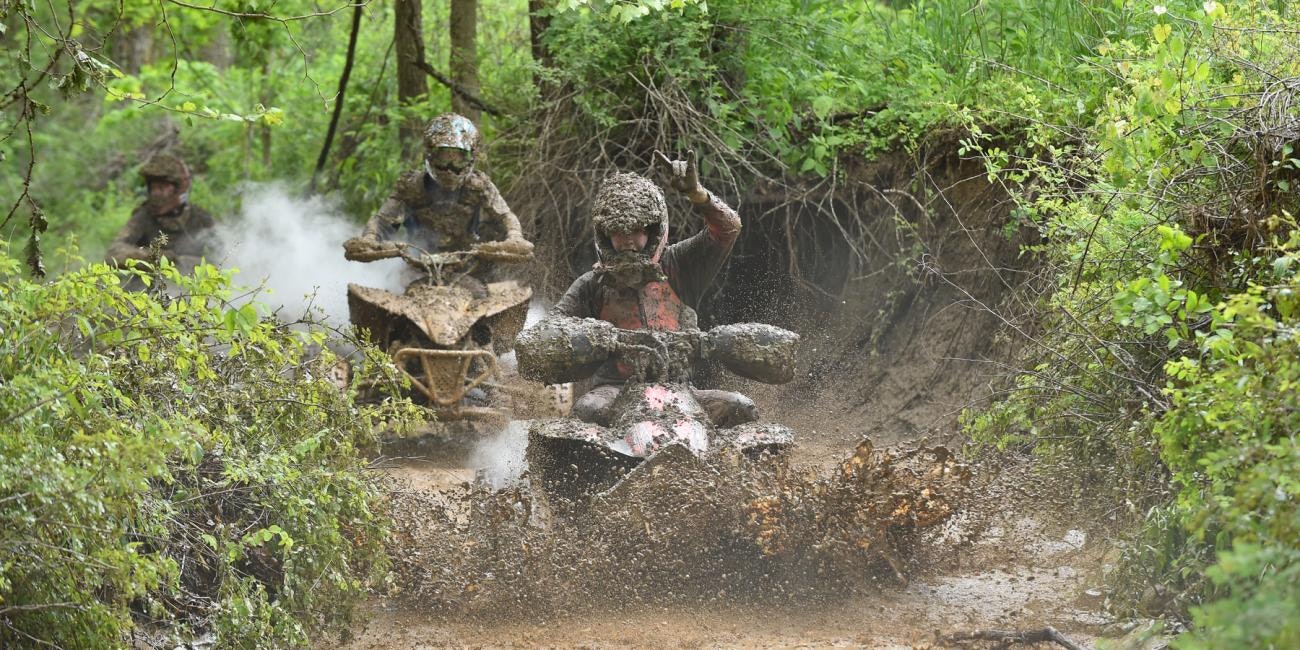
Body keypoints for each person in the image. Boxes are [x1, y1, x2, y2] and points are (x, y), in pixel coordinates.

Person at [544, 150, 758, 427]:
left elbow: (728, 228)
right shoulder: (591, 285)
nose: (628, 240)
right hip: (614, 392)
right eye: (618, 231)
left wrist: (698, 194)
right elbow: (551, 330)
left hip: (682, 390)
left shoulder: (680, 265)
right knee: (587, 410)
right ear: (604, 235)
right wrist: (591, 338)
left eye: (636, 230)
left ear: (653, 231)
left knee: (741, 408)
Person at [343, 113, 533, 276]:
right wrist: (369, 239)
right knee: (393, 287)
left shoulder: (479, 185)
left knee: (498, 289)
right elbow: (383, 220)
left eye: (459, 159)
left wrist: (515, 237)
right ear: (430, 155)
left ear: (471, 158)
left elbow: (505, 216)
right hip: (419, 264)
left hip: (471, 265)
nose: (450, 169)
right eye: (443, 157)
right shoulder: (411, 186)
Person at [106, 152, 215, 273]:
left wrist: (186, 263)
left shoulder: (200, 218)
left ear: (178, 189)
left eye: (162, 188)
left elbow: (226, 256)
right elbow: (114, 252)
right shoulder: (143, 217)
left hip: (192, 287)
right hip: (148, 287)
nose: (155, 194)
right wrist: (157, 258)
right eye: (153, 188)